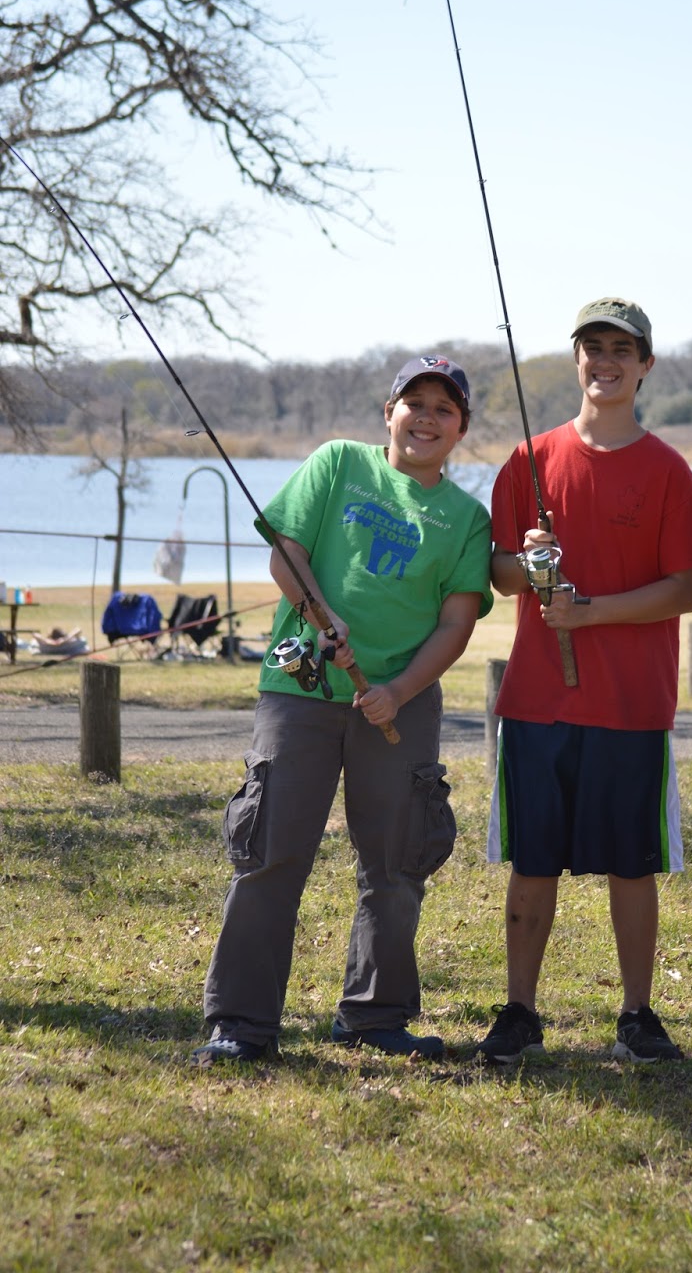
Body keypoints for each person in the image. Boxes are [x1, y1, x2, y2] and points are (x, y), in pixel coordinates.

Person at [192, 355, 493, 1066]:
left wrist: (399, 691)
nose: (425, 418)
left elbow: (456, 623)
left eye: (443, 409)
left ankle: (374, 1015)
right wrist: (318, 613)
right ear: (387, 412)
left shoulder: (466, 518)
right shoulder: (335, 465)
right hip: (300, 691)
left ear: (462, 429)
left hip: (401, 706)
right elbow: (286, 554)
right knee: (271, 852)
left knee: (395, 863)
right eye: (412, 402)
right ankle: (241, 1023)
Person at [479, 298, 692, 1065]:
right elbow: (497, 576)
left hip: (631, 706)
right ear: (576, 359)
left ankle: (637, 1015)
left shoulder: (668, 471)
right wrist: (530, 562)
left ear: (645, 365)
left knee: (632, 863)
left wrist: (590, 614)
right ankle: (519, 1012)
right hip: (535, 702)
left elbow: (685, 590)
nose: (606, 361)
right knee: (533, 861)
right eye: (593, 347)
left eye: (623, 349)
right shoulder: (529, 462)